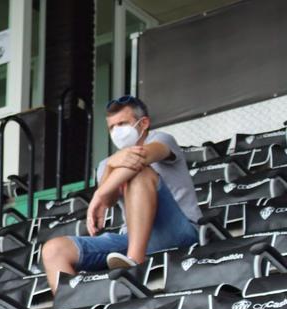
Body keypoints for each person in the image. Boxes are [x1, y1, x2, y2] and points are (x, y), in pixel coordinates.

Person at [41, 96, 201, 292]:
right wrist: (108, 170)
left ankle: (134, 264)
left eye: (123, 123)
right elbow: (110, 200)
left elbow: (140, 159)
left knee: (140, 173)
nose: (117, 131)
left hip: (177, 232)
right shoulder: (106, 164)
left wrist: (97, 195)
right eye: (112, 127)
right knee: (53, 250)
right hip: (132, 238)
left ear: (144, 123)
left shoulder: (161, 139)